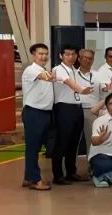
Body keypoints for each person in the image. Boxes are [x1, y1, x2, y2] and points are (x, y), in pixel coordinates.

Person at [52, 44, 93, 185]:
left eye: (73, 54)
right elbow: (69, 83)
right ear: (61, 56)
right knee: (62, 142)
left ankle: (71, 172)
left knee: (74, 142)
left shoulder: (75, 70)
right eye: (67, 54)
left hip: (77, 107)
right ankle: (58, 175)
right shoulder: (58, 69)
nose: (71, 57)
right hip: (64, 108)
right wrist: (82, 90)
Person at [21, 43, 55, 191]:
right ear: (33, 55)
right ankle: (35, 180)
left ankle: (28, 178)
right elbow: (42, 77)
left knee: (35, 147)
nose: (44, 56)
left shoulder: (44, 70)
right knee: (33, 148)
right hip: (34, 113)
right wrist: (51, 77)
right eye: (40, 54)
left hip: (44, 113)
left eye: (46, 54)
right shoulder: (31, 70)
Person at [77, 48, 111, 159]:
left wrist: (108, 89)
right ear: (79, 59)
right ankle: (69, 168)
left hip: (92, 111)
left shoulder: (98, 74)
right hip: (75, 109)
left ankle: (91, 165)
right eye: (85, 58)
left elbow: (105, 88)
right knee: (73, 140)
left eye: (90, 58)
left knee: (92, 140)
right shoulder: (73, 74)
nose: (88, 60)